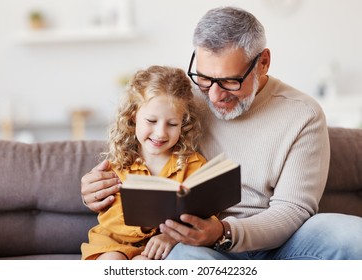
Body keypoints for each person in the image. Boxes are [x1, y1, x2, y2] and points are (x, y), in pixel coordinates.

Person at [81, 7, 362, 259]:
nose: (214, 95)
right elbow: (140, 151)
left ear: (263, 62)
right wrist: (95, 188)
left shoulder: (303, 114)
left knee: (350, 234)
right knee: (187, 258)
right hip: (199, 246)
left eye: (230, 81)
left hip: (282, 244)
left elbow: (293, 210)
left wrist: (224, 232)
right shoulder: (182, 103)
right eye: (204, 78)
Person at [81, 65, 206, 260]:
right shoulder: (120, 161)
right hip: (113, 242)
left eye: (172, 124)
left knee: (143, 264)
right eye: (151, 121)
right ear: (133, 116)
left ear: (184, 122)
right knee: (111, 261)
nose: (160, 133)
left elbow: (205, 217)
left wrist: (170, 236)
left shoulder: (193, 165)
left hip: (158, 248)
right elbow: (110, 218)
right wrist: (146, 223)